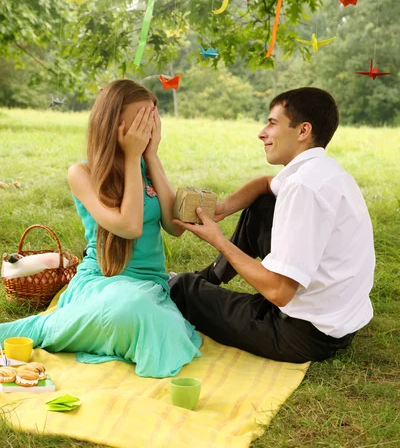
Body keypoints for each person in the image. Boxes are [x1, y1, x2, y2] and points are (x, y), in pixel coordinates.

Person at [0, 80, 202, 378]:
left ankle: (99, 328)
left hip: (148, 287)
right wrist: (132, 158)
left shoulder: (147, 165)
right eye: (140, 122)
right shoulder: (81, 173)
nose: (147, 130)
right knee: (128, 308)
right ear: (114, 125)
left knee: (147, 315)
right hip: (100, 283)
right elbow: (129, 227)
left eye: (152, 121)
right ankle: (47, 327)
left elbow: (175, 227)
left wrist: (151, 156)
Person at [169, 87, 375, 363]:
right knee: (263, 204)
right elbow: (266, 183)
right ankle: (209, 279)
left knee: (183, 288)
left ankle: (192, 285)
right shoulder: (324, 171)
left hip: (304, 334)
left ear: (303, 131)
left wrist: (219, 240)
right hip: (339, 319)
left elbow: (279, 292)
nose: (262, 133)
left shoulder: (304, 188)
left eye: (272, 123)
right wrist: (222, 209)